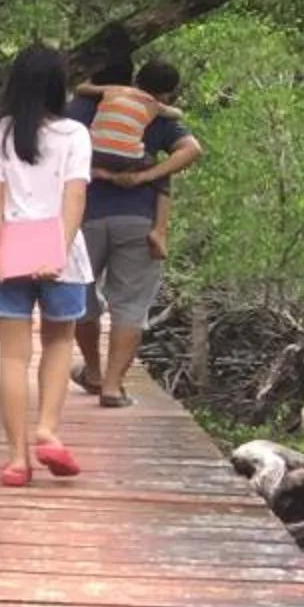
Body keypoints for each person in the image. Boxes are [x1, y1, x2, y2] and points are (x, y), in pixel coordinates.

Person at [0, 42, 91, 487]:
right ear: (59, 85)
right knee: (59, 344)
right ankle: (47, 430)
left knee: (12, 358)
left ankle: (16, 460)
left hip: (6, 252)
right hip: (60, 254)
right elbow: (74, 195)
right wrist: (56, 251)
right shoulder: (74, 135)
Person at [69, 50, 200, 408]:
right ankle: (112, 386)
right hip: (139, 219)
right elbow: (191, 149)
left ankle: (93, 371)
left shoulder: (81, 107)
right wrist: (146, 175)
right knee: (131, 305)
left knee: (80, 295)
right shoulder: (155, 111)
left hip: (82, 217)